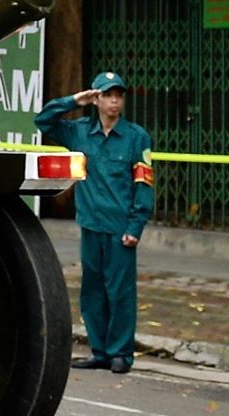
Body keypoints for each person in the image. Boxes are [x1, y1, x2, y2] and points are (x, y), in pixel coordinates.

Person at [35, 71, 155, 375]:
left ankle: (120, 354)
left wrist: (135, 226)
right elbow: (43, 120)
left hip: (119, 229)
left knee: (121, 292)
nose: (114, 101)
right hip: (90, 225)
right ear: (97, 99)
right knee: (92, 292)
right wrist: (74, 100)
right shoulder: (79, 132)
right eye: (108, 95)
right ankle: (99, 351)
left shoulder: (136, 137)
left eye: (119, 95)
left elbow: (144, 184)